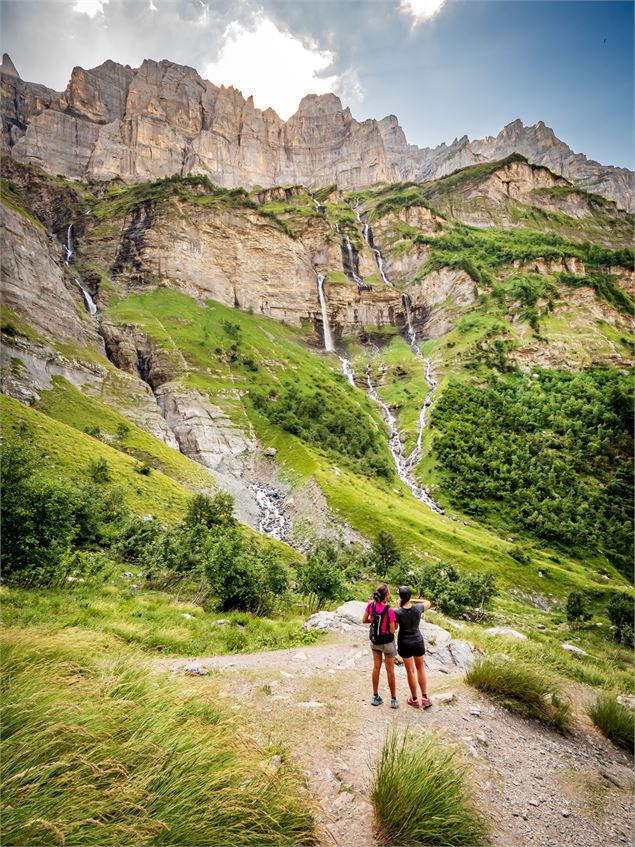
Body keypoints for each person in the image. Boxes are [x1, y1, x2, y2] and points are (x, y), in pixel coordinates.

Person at [394, 585, 432, 709]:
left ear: (400, 597)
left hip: (405, 643)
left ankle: (414, 699)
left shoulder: (397, 612)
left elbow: (395, 627)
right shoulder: (418, 608)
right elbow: (428, 602)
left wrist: (399, 606)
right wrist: (413, 600)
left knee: (410, 671)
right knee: (421, 668)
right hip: (418, 641)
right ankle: (425, 697)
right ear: (409, 596)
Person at [362, 583, 398, 708]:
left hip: (375, 642)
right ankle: (393, 699)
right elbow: (392, 630)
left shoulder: (370, 605)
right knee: (390, 671)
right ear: (386, 595)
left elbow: (364, 620)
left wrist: (374, 620)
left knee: (376, 668)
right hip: (387, 643)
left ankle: (375, 696)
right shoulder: (389, 610)